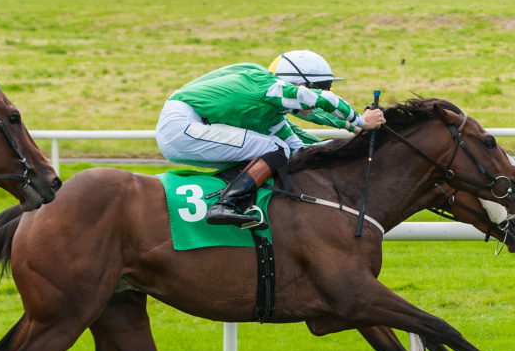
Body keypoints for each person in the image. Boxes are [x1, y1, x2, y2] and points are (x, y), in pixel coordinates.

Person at [155, 49, 385, 230]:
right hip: (182, 125)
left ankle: (241, 203)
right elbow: (324, 100)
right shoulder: (268, 86)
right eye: (324, 87)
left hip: (187, 128)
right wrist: (361, 121)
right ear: (300, 84)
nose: (327, 92)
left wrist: (352, 146)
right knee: (273, 148)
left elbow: (299, 150)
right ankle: (224, 205)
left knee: (281, 151)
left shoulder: (271, 113)